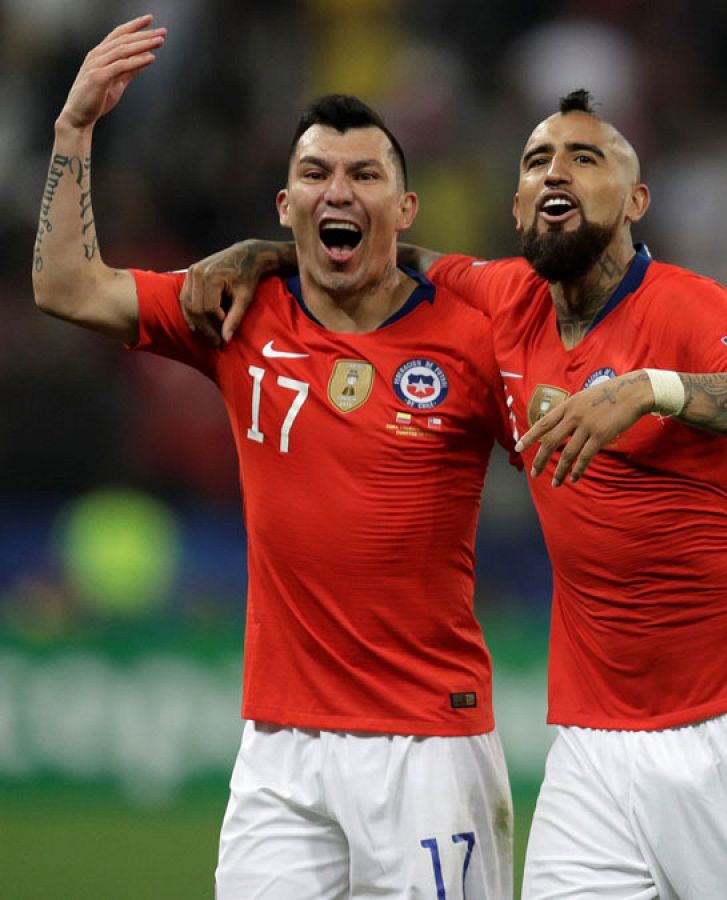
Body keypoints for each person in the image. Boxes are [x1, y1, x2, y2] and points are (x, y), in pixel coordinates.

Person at [191, 89, 727, 899]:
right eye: (537, 161)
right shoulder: (506, 299)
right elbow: (381, 246)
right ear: (517, 205)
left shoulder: (682, 304)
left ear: (637, 200)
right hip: (593, 741)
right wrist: (263, 251)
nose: (554, 172)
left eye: (584, 157)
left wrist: (654, 390)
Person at [32, 18, 516, 898]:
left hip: (429, 745)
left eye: (366, 175)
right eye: (315, 174)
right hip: (280, 749)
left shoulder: (474, 340)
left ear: (405, 211)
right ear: (285, 206)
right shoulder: (238, 314)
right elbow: (65, 283)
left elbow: (582, 464)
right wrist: (75, 129)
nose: (341, 190)